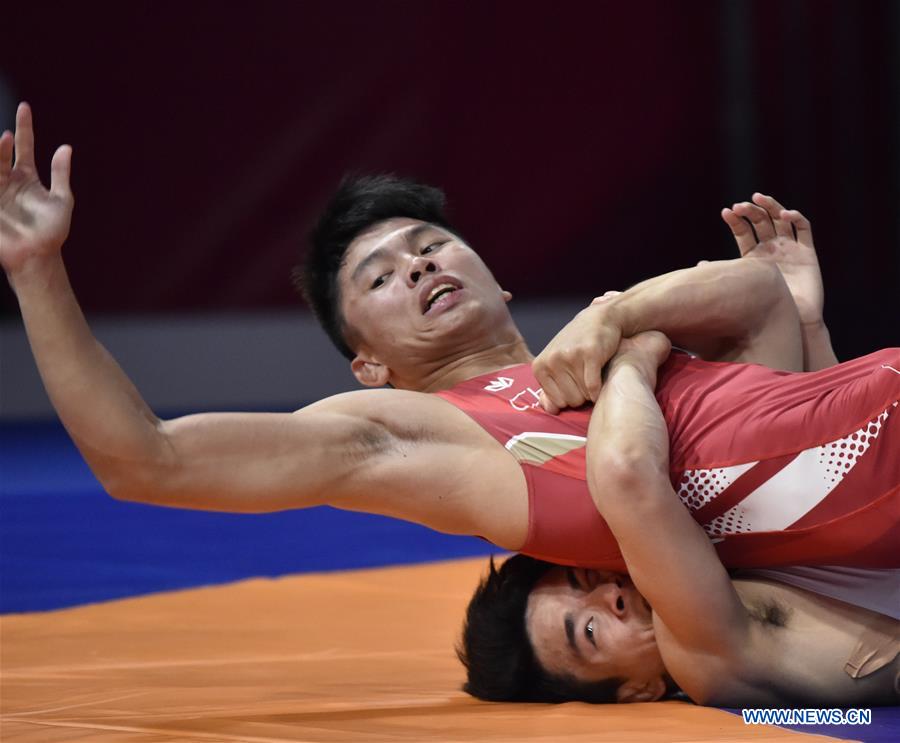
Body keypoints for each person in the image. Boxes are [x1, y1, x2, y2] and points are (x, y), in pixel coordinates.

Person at [2, 102, 896, 578]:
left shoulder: (629, 349)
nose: (419, 268)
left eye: (429, 247)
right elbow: (144, 461)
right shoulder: (412, 431)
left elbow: (770, 351)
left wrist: (803, 322)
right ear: (368, 364)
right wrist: (39, 273)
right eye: (380, 278)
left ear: (497, 279)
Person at [457, 333, 898, 707]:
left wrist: (808, 326)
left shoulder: (725, 568)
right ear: (638, 691)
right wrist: (632, 352)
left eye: (590, 579)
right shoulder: (697, 655)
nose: (613, 595)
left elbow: (803, 451)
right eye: (590, 630)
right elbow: (627, 473)